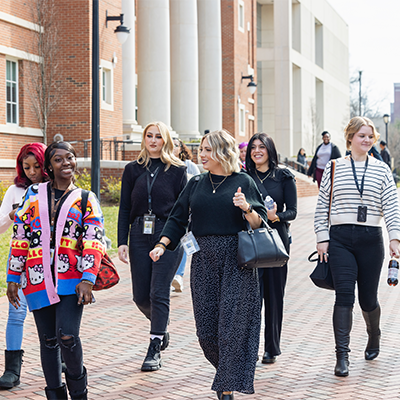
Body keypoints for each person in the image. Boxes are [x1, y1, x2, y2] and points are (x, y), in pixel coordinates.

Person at [149, 129, 268, 400]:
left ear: (223, 152)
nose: (202, 154)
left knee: (232, 325)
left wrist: (246, 208)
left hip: (237, 259)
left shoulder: (243, 181)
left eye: (208, 150)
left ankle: (226, 388)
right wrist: (162, 245)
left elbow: (260, 221)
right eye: (201, 149)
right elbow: (178, 218)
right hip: (203, 259)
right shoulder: (196, 183)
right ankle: (229, 371)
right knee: (206, 330)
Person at [7, 141, 105, 399]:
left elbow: (94, 241)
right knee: (49, 341)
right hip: (37, 279)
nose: (66, 163)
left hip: (72, 281)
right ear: (49, 166)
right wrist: (13, 277)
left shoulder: (86, 198)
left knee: (68, 336)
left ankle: (79, 392)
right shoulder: (33, 194)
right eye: (58, 159)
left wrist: (88, 278)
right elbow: (20, 237)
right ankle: (55, 393)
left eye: (70, 158)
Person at [314, 117, 400, 377]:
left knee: (368, 299)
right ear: (350, 137)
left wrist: (394, 237)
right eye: (362, 135)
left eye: (370, 136)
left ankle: (374, 335)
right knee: (344, 295)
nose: (367, 140)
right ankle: (342, 356)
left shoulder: (382, 169)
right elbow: (321, 207)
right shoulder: (333, 168)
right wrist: (321, 237)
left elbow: (392, 206)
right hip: (340, 239)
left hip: (371, 239)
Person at [117, 122, 186, 372]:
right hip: (138, 234)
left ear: (166, 140)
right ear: (144, 139)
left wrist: (176, 235)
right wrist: (122, 241)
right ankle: (161, 325)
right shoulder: (132, 170)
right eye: (149, 136)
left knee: (159, 292)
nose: (153, 140)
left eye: (158, 136)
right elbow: (124, 208)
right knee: (140, 296)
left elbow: (182, 210)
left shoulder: (178, 170)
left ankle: (154, 346)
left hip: (167, 234)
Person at [245, 133, 297, 364]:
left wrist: (276, 217)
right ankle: (249, 347)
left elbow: (293, 211)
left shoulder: (283, 176)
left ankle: (271, 348)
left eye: (262, 147)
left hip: (277, 242)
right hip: (250, 242)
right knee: (251, 297)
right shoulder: (244, 177)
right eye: (253, 147)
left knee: (274, 296)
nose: (257, 151)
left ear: (270, 150)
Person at [0, 143, 48, 390]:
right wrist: (10, 215)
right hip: (20, 262)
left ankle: (57, 359)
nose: (31, 172)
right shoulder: (15, 191)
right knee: (16, 314)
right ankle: (11, 370)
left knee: (51, 314)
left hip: (49, 264)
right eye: (26, 166)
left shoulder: (53, 189)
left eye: (36, 166)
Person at [171, 138, 201, 292]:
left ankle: (178, 275)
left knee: (183, 241)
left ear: (181, 149)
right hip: (168, 212)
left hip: (186, 212)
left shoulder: (190, 166)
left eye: (175, 145)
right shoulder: (164, 165)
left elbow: (198, 187)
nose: (172, 148)